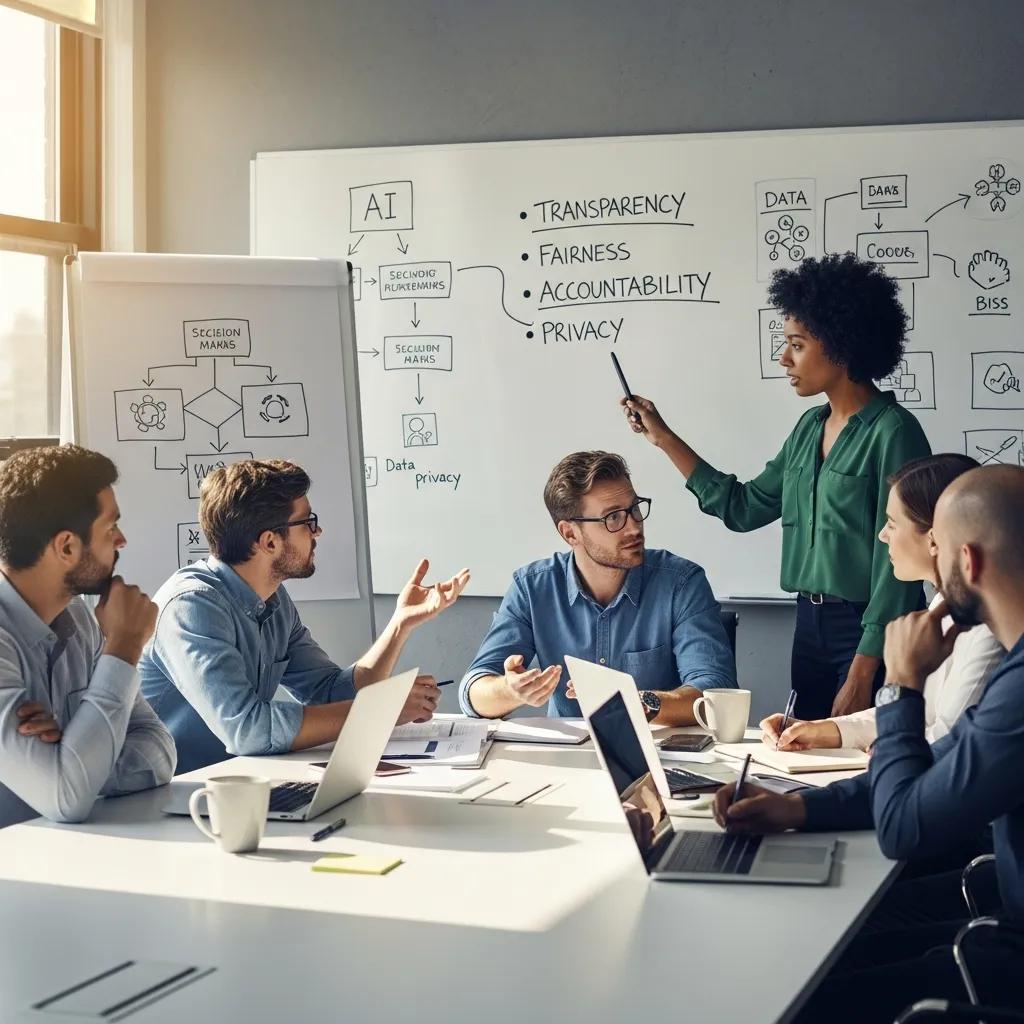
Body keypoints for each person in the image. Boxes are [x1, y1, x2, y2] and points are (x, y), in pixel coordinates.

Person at [712, 465, 1024, 1021]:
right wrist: (796, 807)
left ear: (967, 562)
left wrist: (901, 683)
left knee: (801, 994)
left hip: (1010, 958)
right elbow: (943, 762)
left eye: (940, 546)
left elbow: (906, 827)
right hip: (1000, 918)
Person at [622, 254, 931, 720]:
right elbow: (742, 507)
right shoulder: (809, 428)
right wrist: (663, 437)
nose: (784, 359)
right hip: (808, 624)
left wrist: (865, 668)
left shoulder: (894, 433)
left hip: (868, 630)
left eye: (797, 345)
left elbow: (898, 571)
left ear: (843, 345)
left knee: (862, 761)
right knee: (803, 753)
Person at [140, 460, 469, 773]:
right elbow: (248, 730)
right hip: (163, 801)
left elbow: (330, 693)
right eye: (308, 523)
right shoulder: (191, 608)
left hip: (230, 787)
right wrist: (380, 710)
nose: (318, 532)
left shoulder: (273, 599)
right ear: (269, 541)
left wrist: (401, 623)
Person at [459, 451, 736, 724]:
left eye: (634, 509)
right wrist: (510, 691)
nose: (634, 528)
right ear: (570, 533)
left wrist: (637, 702)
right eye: (613, 517)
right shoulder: (532, 588)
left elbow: (714, 689)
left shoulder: (681, 583)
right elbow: (473, 691)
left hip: (657, 758)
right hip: (569, 758)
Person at [760, 453, 1004, 752]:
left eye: (892, 523)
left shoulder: (988, 630)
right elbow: (915, 717)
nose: (882, 535)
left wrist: (899, 685)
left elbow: (946, 741)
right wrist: (818, 730)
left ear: (934, 538)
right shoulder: (944, 604)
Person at [0, 445, 175, 827]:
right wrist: (125, 646)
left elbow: (160, 749)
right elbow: (67, 797)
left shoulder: (79, 618)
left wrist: (76, 752)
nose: (122, 540)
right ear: (67, 546)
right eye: (111, 527)